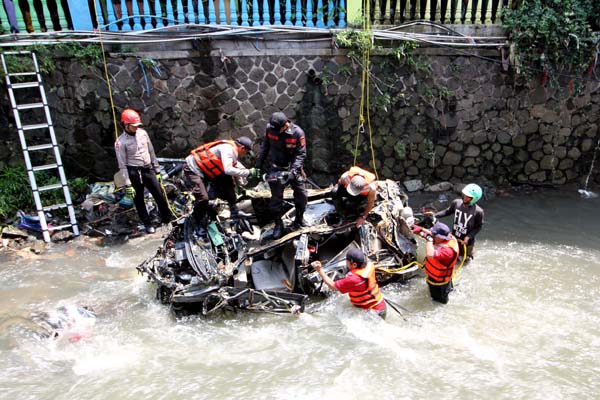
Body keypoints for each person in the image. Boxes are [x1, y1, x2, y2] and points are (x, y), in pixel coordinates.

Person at [115, 108, 174, 234]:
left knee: (159, 194)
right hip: (134, 173)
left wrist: (157, 170)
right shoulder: (121, 142)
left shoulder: (143, 133)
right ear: (126, 125)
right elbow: (122, 165)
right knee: (139, 199)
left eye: (137, 125)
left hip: (147, 169)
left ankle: (167, 218)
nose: (136, 128)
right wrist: (127, 183)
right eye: (134, 126)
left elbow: (151, 151)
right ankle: (147, 223)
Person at [183, 136, 259, 227]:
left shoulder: (233, 152)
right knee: (203, 198)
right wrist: (249, 172)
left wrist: (241, 187)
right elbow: (228, 169)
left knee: (228, 183)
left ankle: (234, 212)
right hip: (193, 168)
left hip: (207, 170)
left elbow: (236, 170)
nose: (246, 155)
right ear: (242, 148)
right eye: (246, 152)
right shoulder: (228, 150)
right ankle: (195, 221)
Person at [256, 111, 308, 239]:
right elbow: (265, 146)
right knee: (276, 199)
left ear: (285, 125)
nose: (276, 132)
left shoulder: (297, 133)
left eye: (278, 129)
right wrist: (259, 164)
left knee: (302, 195)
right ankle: (278, 224)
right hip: (276, 168)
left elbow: (301, 154)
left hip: (293, 169)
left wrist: (294, 172)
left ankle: (299, 219)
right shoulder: (270, 129)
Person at [312, 247, 386, 319]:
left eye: (346, 261)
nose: (345, 262)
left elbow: (332, 286)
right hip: (381, 305)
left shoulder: (354, 280)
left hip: (374, 314)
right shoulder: (370, 265)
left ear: (354, 265)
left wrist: (320, 270)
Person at [434, 183, 484, 259]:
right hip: (455, 237)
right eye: (465, 195)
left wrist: (468, 236)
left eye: (468, 197)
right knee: (453, 257)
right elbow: (447, 211)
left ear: (474, 199)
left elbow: (478, 227)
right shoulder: (456, 203)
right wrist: (434, 215)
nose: (465, 198)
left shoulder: (478, 211)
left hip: (467, 242)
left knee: (466, 260)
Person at [413, 222, 459, 304]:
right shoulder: (449, 237)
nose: (433, 237)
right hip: (439, 278)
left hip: (440, 284)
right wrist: (421, 230)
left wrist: (428, 239)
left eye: (434, 236)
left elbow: (430, 254)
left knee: (438, 303)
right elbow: (433, 234)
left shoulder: (448, 251)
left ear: (441, 237)